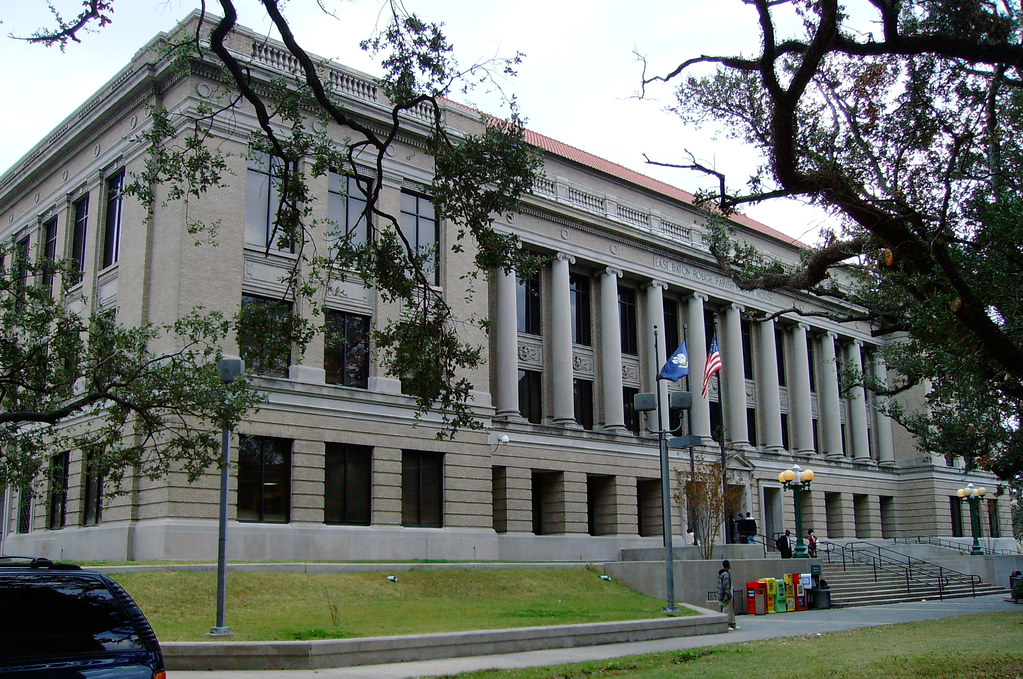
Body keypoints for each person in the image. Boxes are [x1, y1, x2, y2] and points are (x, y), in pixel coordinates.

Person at [717, 559, 738, 631]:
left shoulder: (723, 574)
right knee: (726, 610)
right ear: (728, 565)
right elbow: (726, 587)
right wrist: (729, 596)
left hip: (724, 594)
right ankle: (726, 624)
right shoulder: (726, 575)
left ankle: (732, 624)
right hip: (725, 596)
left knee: (731, 610)